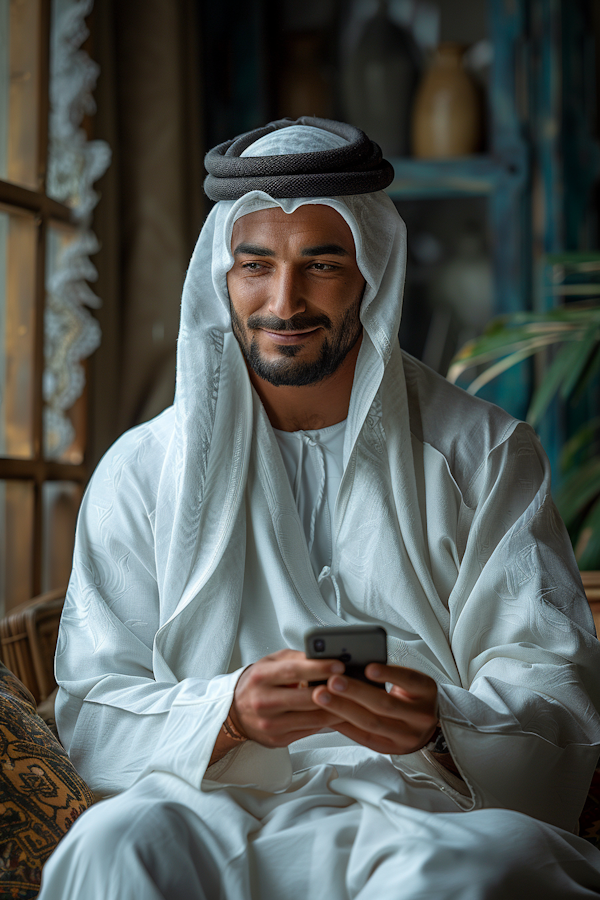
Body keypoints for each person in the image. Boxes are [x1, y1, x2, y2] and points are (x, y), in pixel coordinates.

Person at [39, 118, 600, 899]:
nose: (283, 300)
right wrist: (228, 713)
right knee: (113, 846)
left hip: (427, 810)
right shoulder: (143, 469)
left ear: (372, 272)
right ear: (222, 278)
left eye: (322, 264)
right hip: (209, 802)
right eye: (255, 265)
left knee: (479, 872)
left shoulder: (486, 452)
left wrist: (440, 725)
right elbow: (95, 705)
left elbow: (552, 685)